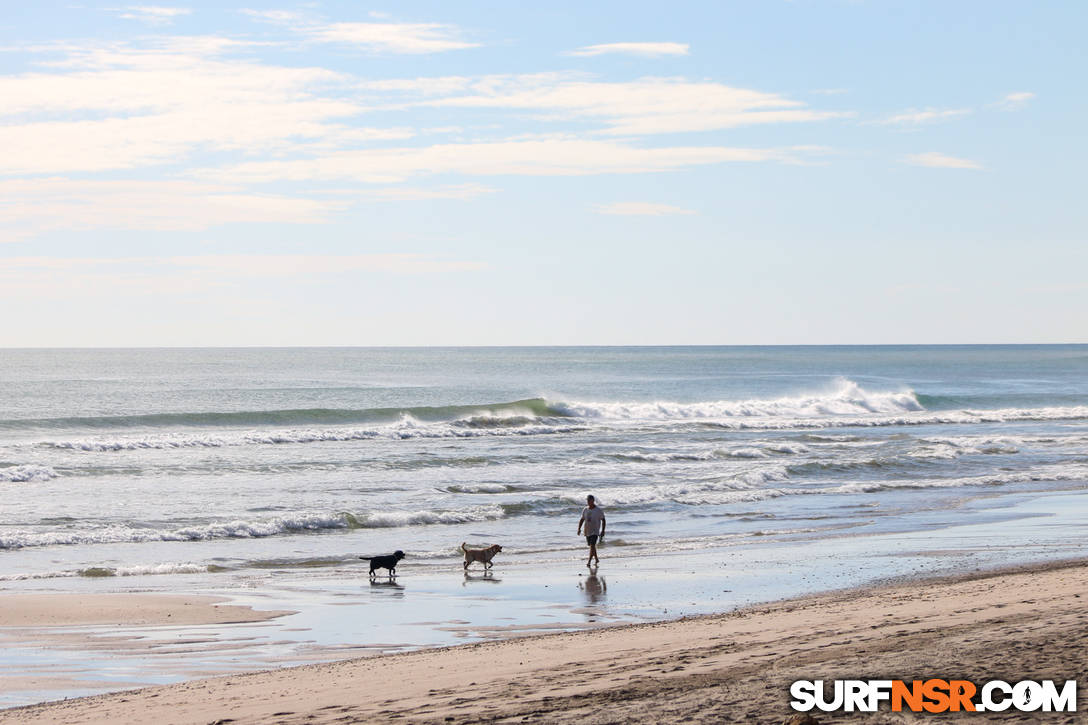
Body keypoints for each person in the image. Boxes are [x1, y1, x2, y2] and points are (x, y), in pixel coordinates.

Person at [577, 494, 606, 567]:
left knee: (592, 545)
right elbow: (582, 519)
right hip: (587, 531)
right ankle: (596, 559)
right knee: (591, 546)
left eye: (589, 500)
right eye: (587, 500)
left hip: (595, 531)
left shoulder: (598, 510)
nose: (588, 502)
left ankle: (589, 561)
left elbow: (603, 520)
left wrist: (603, 530)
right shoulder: (585, 509)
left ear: (593, 501)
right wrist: (579, 529)